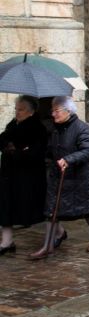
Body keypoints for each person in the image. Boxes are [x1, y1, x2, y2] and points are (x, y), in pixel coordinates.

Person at [30, 97, 89, 259]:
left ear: (68, 111)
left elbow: (88, 151)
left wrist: (69, 159)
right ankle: (47, 245)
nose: (53, 114)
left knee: (87, 209)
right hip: (58, 175)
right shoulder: (55, 129)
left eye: (56, 110)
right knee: (51, 210)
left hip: (78, 176)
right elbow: (50, 150)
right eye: (52, 110)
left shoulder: (82, 128)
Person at [0, 96, 47, 255]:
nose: (17, 112)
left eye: (21, 109)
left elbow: (36, 153)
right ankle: (7, 242)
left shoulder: (38, 129)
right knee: (6, 207)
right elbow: (2, 140)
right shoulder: (13, 125)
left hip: (28, 178)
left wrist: (16, 152)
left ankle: (58, 232)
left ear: (31, 112)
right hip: (9, 175)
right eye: (16, 109)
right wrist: (9, 147)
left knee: (37, 209)